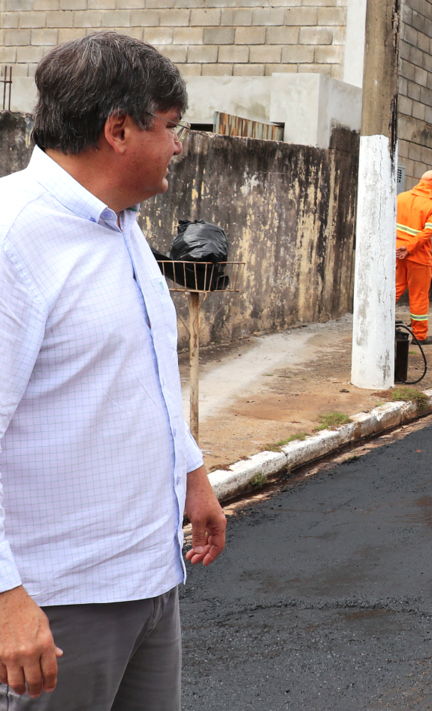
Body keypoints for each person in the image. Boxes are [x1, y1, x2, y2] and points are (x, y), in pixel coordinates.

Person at [0, 32, 226, 709]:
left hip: (149, 578)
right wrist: (6, 598)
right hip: (56, 604)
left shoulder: (121, 226)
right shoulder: (14, 239)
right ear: (119, 130)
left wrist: (192, 475)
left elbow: (144, 375)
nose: (179, 145)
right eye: (171, 126)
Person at [395, 170, 432, 345]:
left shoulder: (401, 197)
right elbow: (429, 231)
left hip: (397, 252)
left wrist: (401, 247)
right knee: (419, 295)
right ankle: (419, 335)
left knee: (392, 290)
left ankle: (376, 325)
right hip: (418, 256)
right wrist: (409, 248)